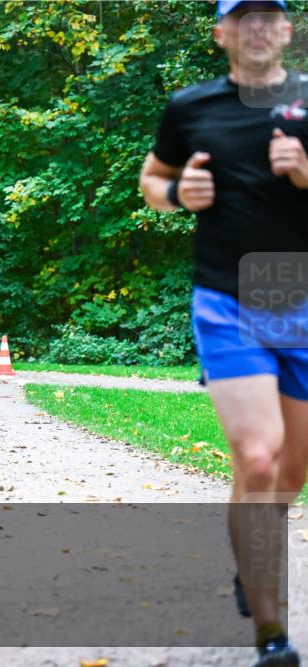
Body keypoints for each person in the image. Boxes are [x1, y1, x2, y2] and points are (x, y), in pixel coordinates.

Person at [139, 2, 307, 665]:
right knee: (258, 459)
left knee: (289, 475)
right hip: (227, 298)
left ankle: (250, 556)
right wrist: (178, 193)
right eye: (242, 17)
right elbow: (152, 180)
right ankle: (272, 633)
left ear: (287, 30)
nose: (256, 27)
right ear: (221, 33)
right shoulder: (190, 107)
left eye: (269, 15)